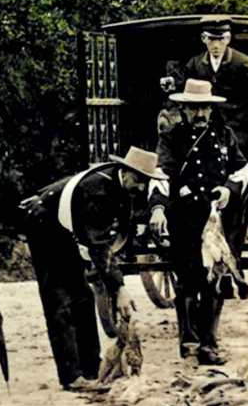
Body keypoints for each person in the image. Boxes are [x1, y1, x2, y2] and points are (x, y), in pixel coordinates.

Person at [21, 147, 165, 390]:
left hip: (67, 228)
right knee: (59, 300)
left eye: (145, 182)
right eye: (138, 180)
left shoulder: (120, 185)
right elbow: (99, 246)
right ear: (125, 171)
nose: (141, 187)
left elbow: (114, 233)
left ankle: (91, 368)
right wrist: (119, 288)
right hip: (45, 225)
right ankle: (71, 376)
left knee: (83, 296)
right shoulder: (98, 191)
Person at [149, 79, 248, 365]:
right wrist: (158, 209)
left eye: (204, 107)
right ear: (183, 109)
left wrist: (228, 189)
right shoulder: (172, 138)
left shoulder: (225, 135)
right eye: (194, 108)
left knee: (216, 280)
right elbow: (160, 173)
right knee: (187, 280)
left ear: (211, 108)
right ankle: (189, 343)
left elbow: (242, 168)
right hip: (185, 217)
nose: (200, 113)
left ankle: (209, 343)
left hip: (218, 219)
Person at [162, 21, 248, 163]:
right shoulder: (196, 63)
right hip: (208, 130)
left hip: (238, 132)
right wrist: (171, 82)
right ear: (203, 39)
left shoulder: (242, 61)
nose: (216, 45)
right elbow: (183, 82)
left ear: (228, 39)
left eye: (221, 39)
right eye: (211, 39)